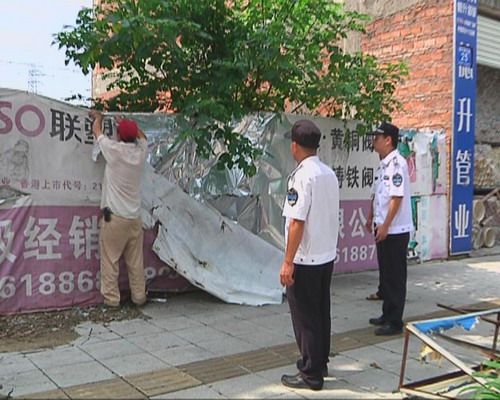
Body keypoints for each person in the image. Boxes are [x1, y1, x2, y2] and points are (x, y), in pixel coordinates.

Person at [279, 119, 340, 391]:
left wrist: (288, 262)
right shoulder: (328, 173)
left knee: (305, 317)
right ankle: (319, 360)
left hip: (305, 258)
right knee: (321, 312)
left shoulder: (302, 176)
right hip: (325, 255)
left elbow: (296, 222)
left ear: (295, 145)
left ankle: (311, 374)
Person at [89, 110, 148, 307]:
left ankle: (112, 300)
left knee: (110, 260)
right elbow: (143, 137)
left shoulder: (114, 150)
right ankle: (139, 297)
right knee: (136, 262)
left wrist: (99, 118)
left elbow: (97, 131)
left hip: (115, 219)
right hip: (134, 219)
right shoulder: (140, 154)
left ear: (119, 135)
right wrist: (125, 124)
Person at [365, 122, 413, 336]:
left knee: (395, 277)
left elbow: (396, 197)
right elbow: (378, 196)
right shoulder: (383, 165)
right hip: (383, 227)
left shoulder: (396, 164)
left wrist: (385, 225)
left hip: (395, 230)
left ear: (388, 140)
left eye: (377, 137)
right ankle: (387, 314)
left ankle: (395, 321)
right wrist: (371, 218)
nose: (373, 140)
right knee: (386, 274)